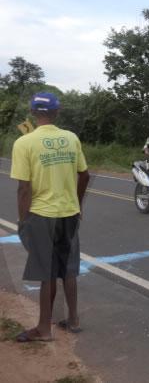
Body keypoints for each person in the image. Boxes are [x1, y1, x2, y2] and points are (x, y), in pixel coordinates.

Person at [10, 92, 89, 341]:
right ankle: (73, 319)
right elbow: (84, 175)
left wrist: (23, 221)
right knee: (68, 269)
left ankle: (44, 328)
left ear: (33, 113)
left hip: (42, 216)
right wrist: (76, 203)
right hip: (69, 214)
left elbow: (24, 189)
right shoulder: (71, 138)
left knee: (46, 272)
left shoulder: (24, 143)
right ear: (56, 112)